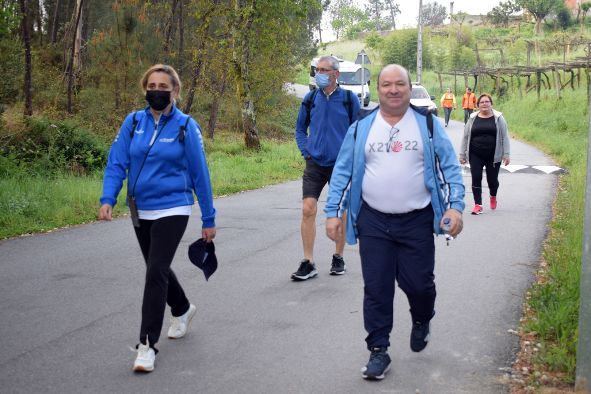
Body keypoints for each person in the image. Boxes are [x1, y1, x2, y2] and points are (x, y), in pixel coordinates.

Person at [325, 64, 465, 380]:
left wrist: (455, 207)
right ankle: (378, 350)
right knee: (376, 287)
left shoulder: (427, 125)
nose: (393, 90)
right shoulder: (362, 126)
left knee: (418, 284)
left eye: (399, 84)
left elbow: (449, 168)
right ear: (378, 88)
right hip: (373, 221)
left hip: (416, 220)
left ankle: (422, 316)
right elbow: (343, 172)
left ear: (408, 87)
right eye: (386, 84)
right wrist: (333, 212)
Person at [98, 64, 216, 372]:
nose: (157, 91)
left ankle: (147, 345)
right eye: (152, 85)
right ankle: (182, 307)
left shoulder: (185, 126)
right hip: (140, 207)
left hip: (174, 206)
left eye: (164, 86)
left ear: (175, 91)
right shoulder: (133, 122)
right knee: (156, 268)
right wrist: (108, 198)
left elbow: (200, 174)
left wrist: (208, 217)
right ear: (145, 89)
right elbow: (117, 162)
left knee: (155, 271)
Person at [292, 55, 360, 281]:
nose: (318, 74)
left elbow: (358, 131)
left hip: (341, 166)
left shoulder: (350, 99)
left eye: (323, 70)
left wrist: (351, 157)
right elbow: (300, 129)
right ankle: (308, 261)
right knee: (307, 209)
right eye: (316, 70)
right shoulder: (311, 98)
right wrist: (306, 151)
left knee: (340, 211)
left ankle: (338, 256)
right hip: (315, 163)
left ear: (335, 74)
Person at [459, 93, 510, 215]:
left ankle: (493, 195)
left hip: (493, 155)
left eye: (487, 102)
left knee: (492, 181)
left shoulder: (498, 118)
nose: (484, 104)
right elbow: (465, 137)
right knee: (476, 177)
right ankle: (478, 205)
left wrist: (506, 154)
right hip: (475, 154)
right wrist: (462, 154)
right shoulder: (472, 118)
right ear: (478, 105)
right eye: (482, 102)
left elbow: (504, 136)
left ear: (491, 104)